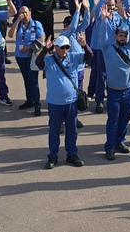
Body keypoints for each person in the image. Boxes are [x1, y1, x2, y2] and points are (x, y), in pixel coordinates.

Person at [36, 33, 89, 169]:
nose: (65, 50)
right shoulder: (49, 59)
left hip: (71, 102)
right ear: (56, 47)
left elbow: (90, 57)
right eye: (62, 47)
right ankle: (53, 156)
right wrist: (44, 49)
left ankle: (72, 154)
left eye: (67, 47)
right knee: (54, 131)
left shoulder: (73, 57)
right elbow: (38, 63)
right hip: (55, 103)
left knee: (72, 130)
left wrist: (84, 45)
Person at [101, 2, 130, 161]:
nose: (123, 38)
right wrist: (104, 21)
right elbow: (102, 36)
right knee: (113, 120)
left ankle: (120, 141)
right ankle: (110, 146)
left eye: (125, 35)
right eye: (120, 35)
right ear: (115, 36)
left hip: (129, 90)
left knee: (125, 118)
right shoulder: (107, 48)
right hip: (114, 91)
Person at [11, 5, 44, 116]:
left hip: (32, 56)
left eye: (25, 12)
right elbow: (10, 34)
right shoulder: (19, 24)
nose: (24, 15)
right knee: (26, 78)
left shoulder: (36, 24)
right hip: (20, 56)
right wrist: (17, 21)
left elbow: (41, 39)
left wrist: (28, 47)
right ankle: (30, 100)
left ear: (29, 12)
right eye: (21, 13)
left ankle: (37, 104)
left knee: (33, 80)